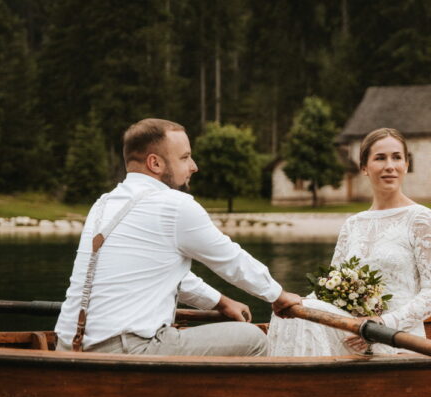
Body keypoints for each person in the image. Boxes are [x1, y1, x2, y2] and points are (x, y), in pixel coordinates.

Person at [54, 118, 301, 355]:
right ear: (156, 163)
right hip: (125, 349)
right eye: (185, 157)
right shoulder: (174, 205)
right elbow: (231, 260)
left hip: (68, 345)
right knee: (254, 340)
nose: (194, 166)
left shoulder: (103, 204)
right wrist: (278, 296)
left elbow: (162, 272)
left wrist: (220, 302)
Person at [266, 127, 431, 356]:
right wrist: (298, 303)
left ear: (406, 165)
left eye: (397, 157)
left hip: (397, 336)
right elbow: (329, 290)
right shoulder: (353, 224)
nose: (389, 166)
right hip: (351, 332)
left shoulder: (421, 218)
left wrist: (381, 323)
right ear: (364, 167)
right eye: (380, 158)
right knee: (292, 314)